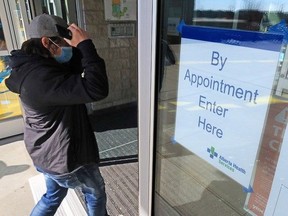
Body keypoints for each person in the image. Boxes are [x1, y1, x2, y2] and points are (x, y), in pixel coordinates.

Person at [5, 14, 109, 216]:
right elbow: (96, 89)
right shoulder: (42, 78)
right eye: (62, 41)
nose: (68, 46)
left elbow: (71, 68)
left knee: (53, 196)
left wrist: (77, 47)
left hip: (47, 155)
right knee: (96, 193)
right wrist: (86, 46)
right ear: (46, 42)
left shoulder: (33, 66)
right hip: (68, 159)